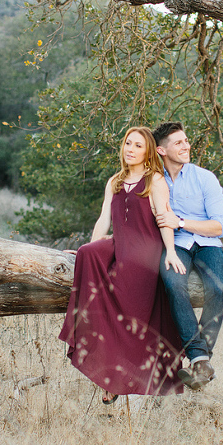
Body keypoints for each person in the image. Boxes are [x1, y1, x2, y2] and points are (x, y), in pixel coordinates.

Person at [59, 126, 189, 404]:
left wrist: (170, 252)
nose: (130, 149)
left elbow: (165, 218)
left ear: (148, 152)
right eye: (127, 143)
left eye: (137, 145)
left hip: (145, 251)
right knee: (86, 253)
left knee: (127, 305)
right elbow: (104, 219)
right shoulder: (114, 181)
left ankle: (123, 376)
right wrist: (90, 247)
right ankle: (107, 377)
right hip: (121, 245)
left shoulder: (154, 180)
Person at [151, 121, 223, 391]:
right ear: (161, 150)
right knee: (173, 284)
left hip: (208, 243)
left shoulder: (204, 178)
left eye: (186, 141)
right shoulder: (154, 180)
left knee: (217, 289)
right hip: (177, 246)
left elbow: (220, 225)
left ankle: (200, 361)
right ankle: (200, 360)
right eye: (179, 143)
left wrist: (181, 222)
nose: (186, 146)